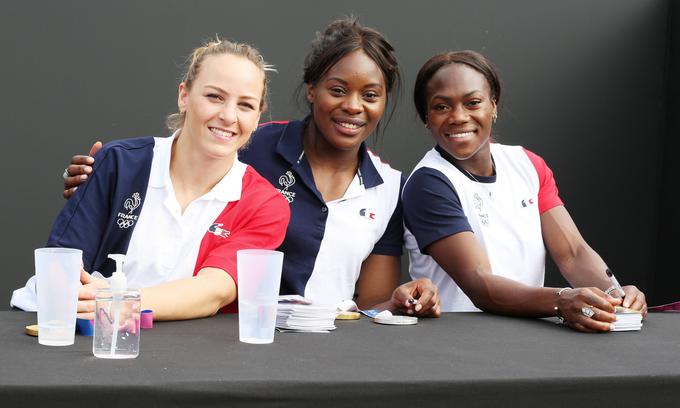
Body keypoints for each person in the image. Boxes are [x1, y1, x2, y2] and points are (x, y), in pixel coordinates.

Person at [60, 18, 441, 316]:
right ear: (312, 89)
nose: (353, 106)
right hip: (225, 337)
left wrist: (399, 302)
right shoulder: (251, 145)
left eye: (370, 95)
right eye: (337, 90)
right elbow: (188, 149)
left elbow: (370, 303)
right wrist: (109, 171)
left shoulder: (387, 186)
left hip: (306, 345)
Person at [11, 39, 290, 320]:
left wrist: (119, 301)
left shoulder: (265, 205)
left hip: (174, 349)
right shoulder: (120, 163)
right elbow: (63, 268)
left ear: (257, 117)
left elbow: (214, 292)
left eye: (245, 105)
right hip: (62, 326)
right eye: (214, 96)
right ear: (184, 96)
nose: (229, 116)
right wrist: (95, 307)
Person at [402, 50, 646, 331]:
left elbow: (573, 252)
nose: (458, 117)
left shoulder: (528, 164)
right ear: (426, 117)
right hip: (458, 346)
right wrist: (562, 300)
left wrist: (616, 297)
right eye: (441, 107)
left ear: (493, 106)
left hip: (527, 340)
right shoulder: (428, 183)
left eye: (473, 102)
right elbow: (481, 283)